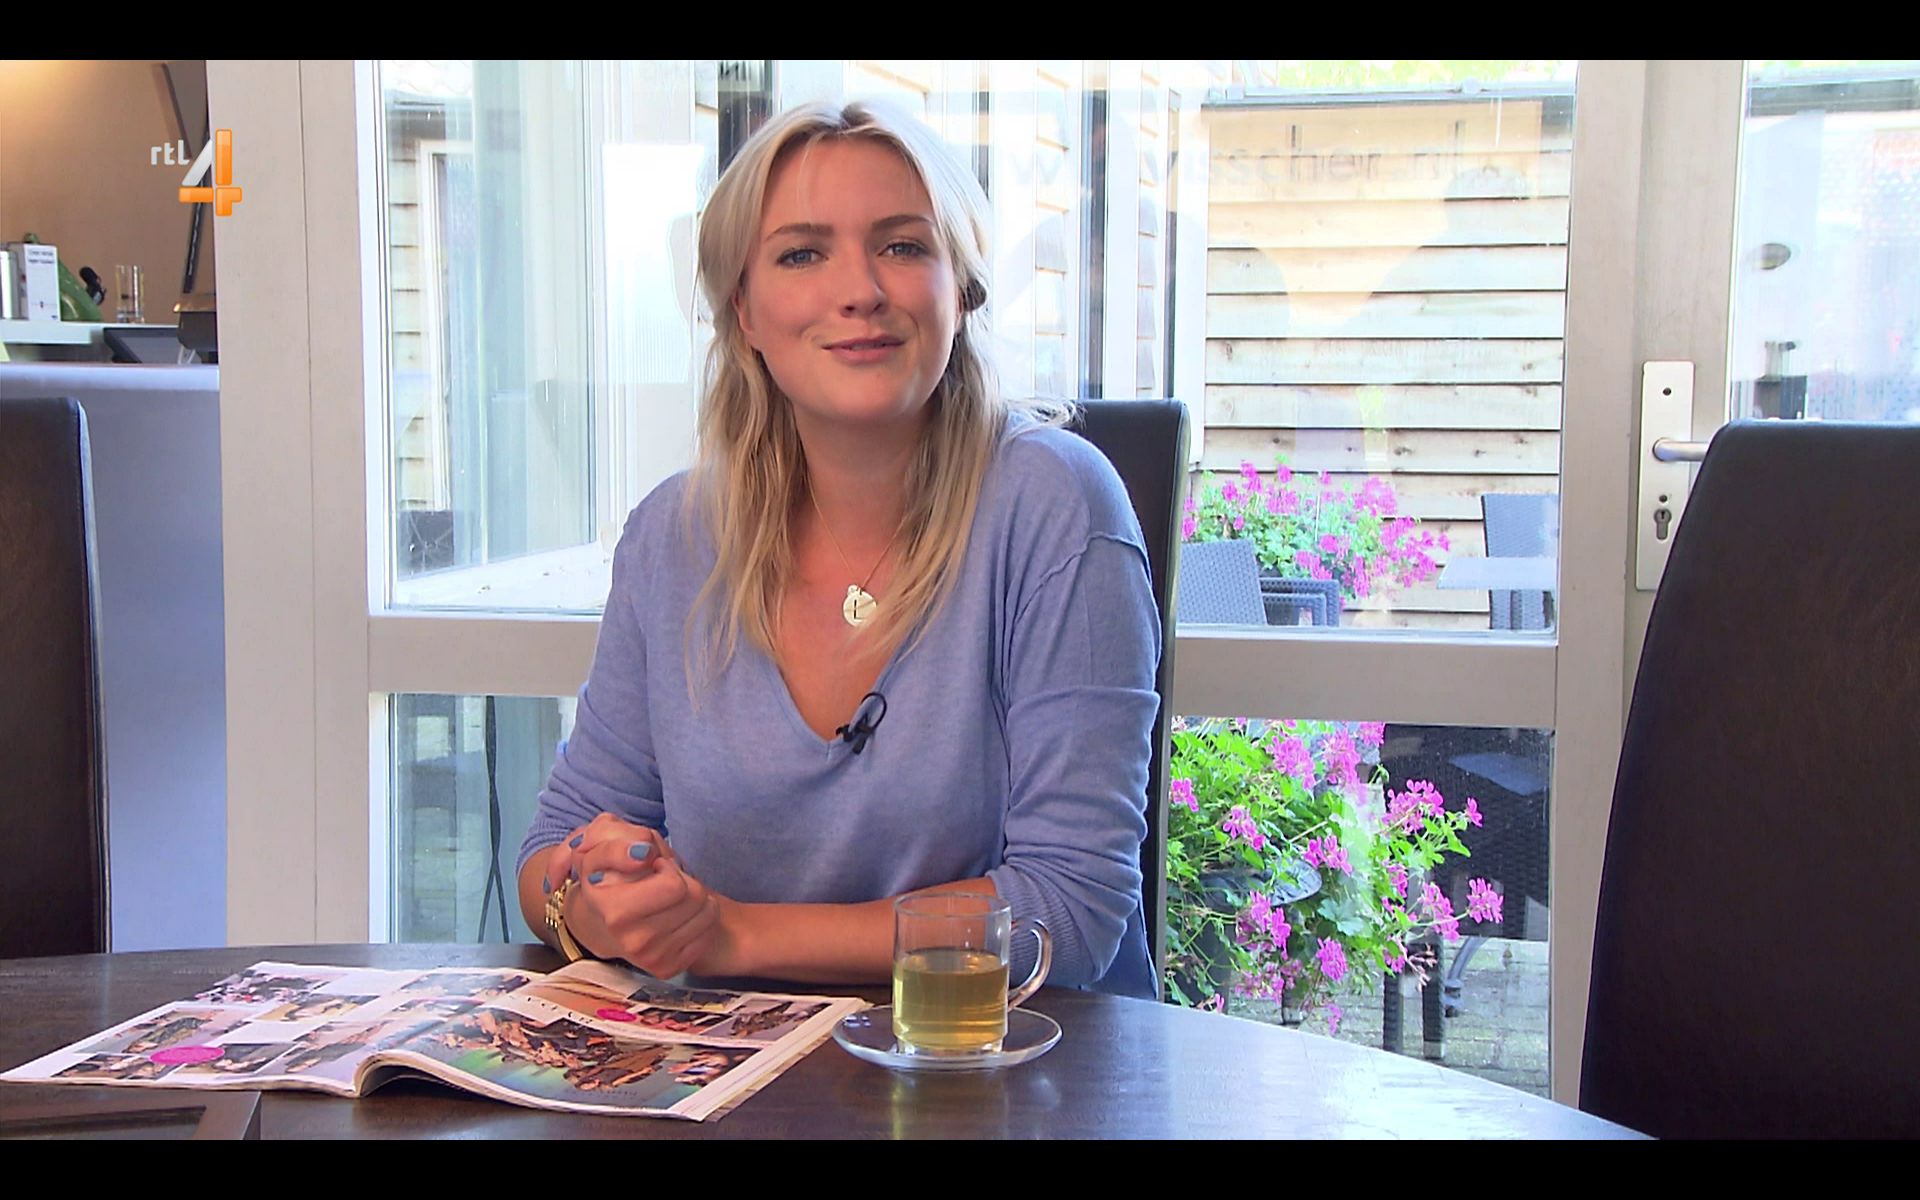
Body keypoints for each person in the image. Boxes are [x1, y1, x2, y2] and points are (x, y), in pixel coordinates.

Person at [515, 98, 1161, 1000]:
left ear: (961, 290)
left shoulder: (1055, 504)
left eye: (902, 246)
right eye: (802, 254)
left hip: (1011, 1058)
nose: (859, 290)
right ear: (743, 310)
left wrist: (729, 934)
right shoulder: (671, 534)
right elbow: (556, 846)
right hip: (740, 1057)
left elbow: (1069, 912)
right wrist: (590, 903)